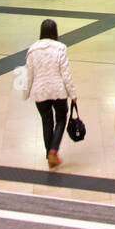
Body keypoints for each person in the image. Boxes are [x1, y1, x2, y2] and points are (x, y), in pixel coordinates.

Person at [24, 19, 80, 170]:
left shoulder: (32, 50)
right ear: (55, 32)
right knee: (61, 119)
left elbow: (29, 74)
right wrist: (73, 93)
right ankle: (53, 151)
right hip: (58, 90)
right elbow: (65, 74)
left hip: (40, 91)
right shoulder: (60, 48)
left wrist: (26, 92)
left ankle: (50, 154)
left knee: (46, 121)